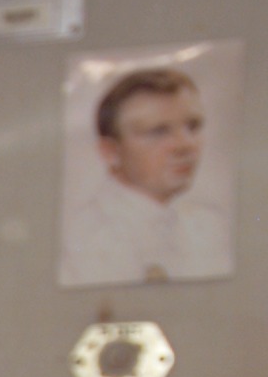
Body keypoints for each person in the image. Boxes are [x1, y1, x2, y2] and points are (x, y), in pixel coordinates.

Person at [67, 64, 232, 287]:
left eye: (193, 126)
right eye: (159, 131)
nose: (186, 145)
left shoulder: (213, 227)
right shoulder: (79, 240)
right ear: (111, 151)